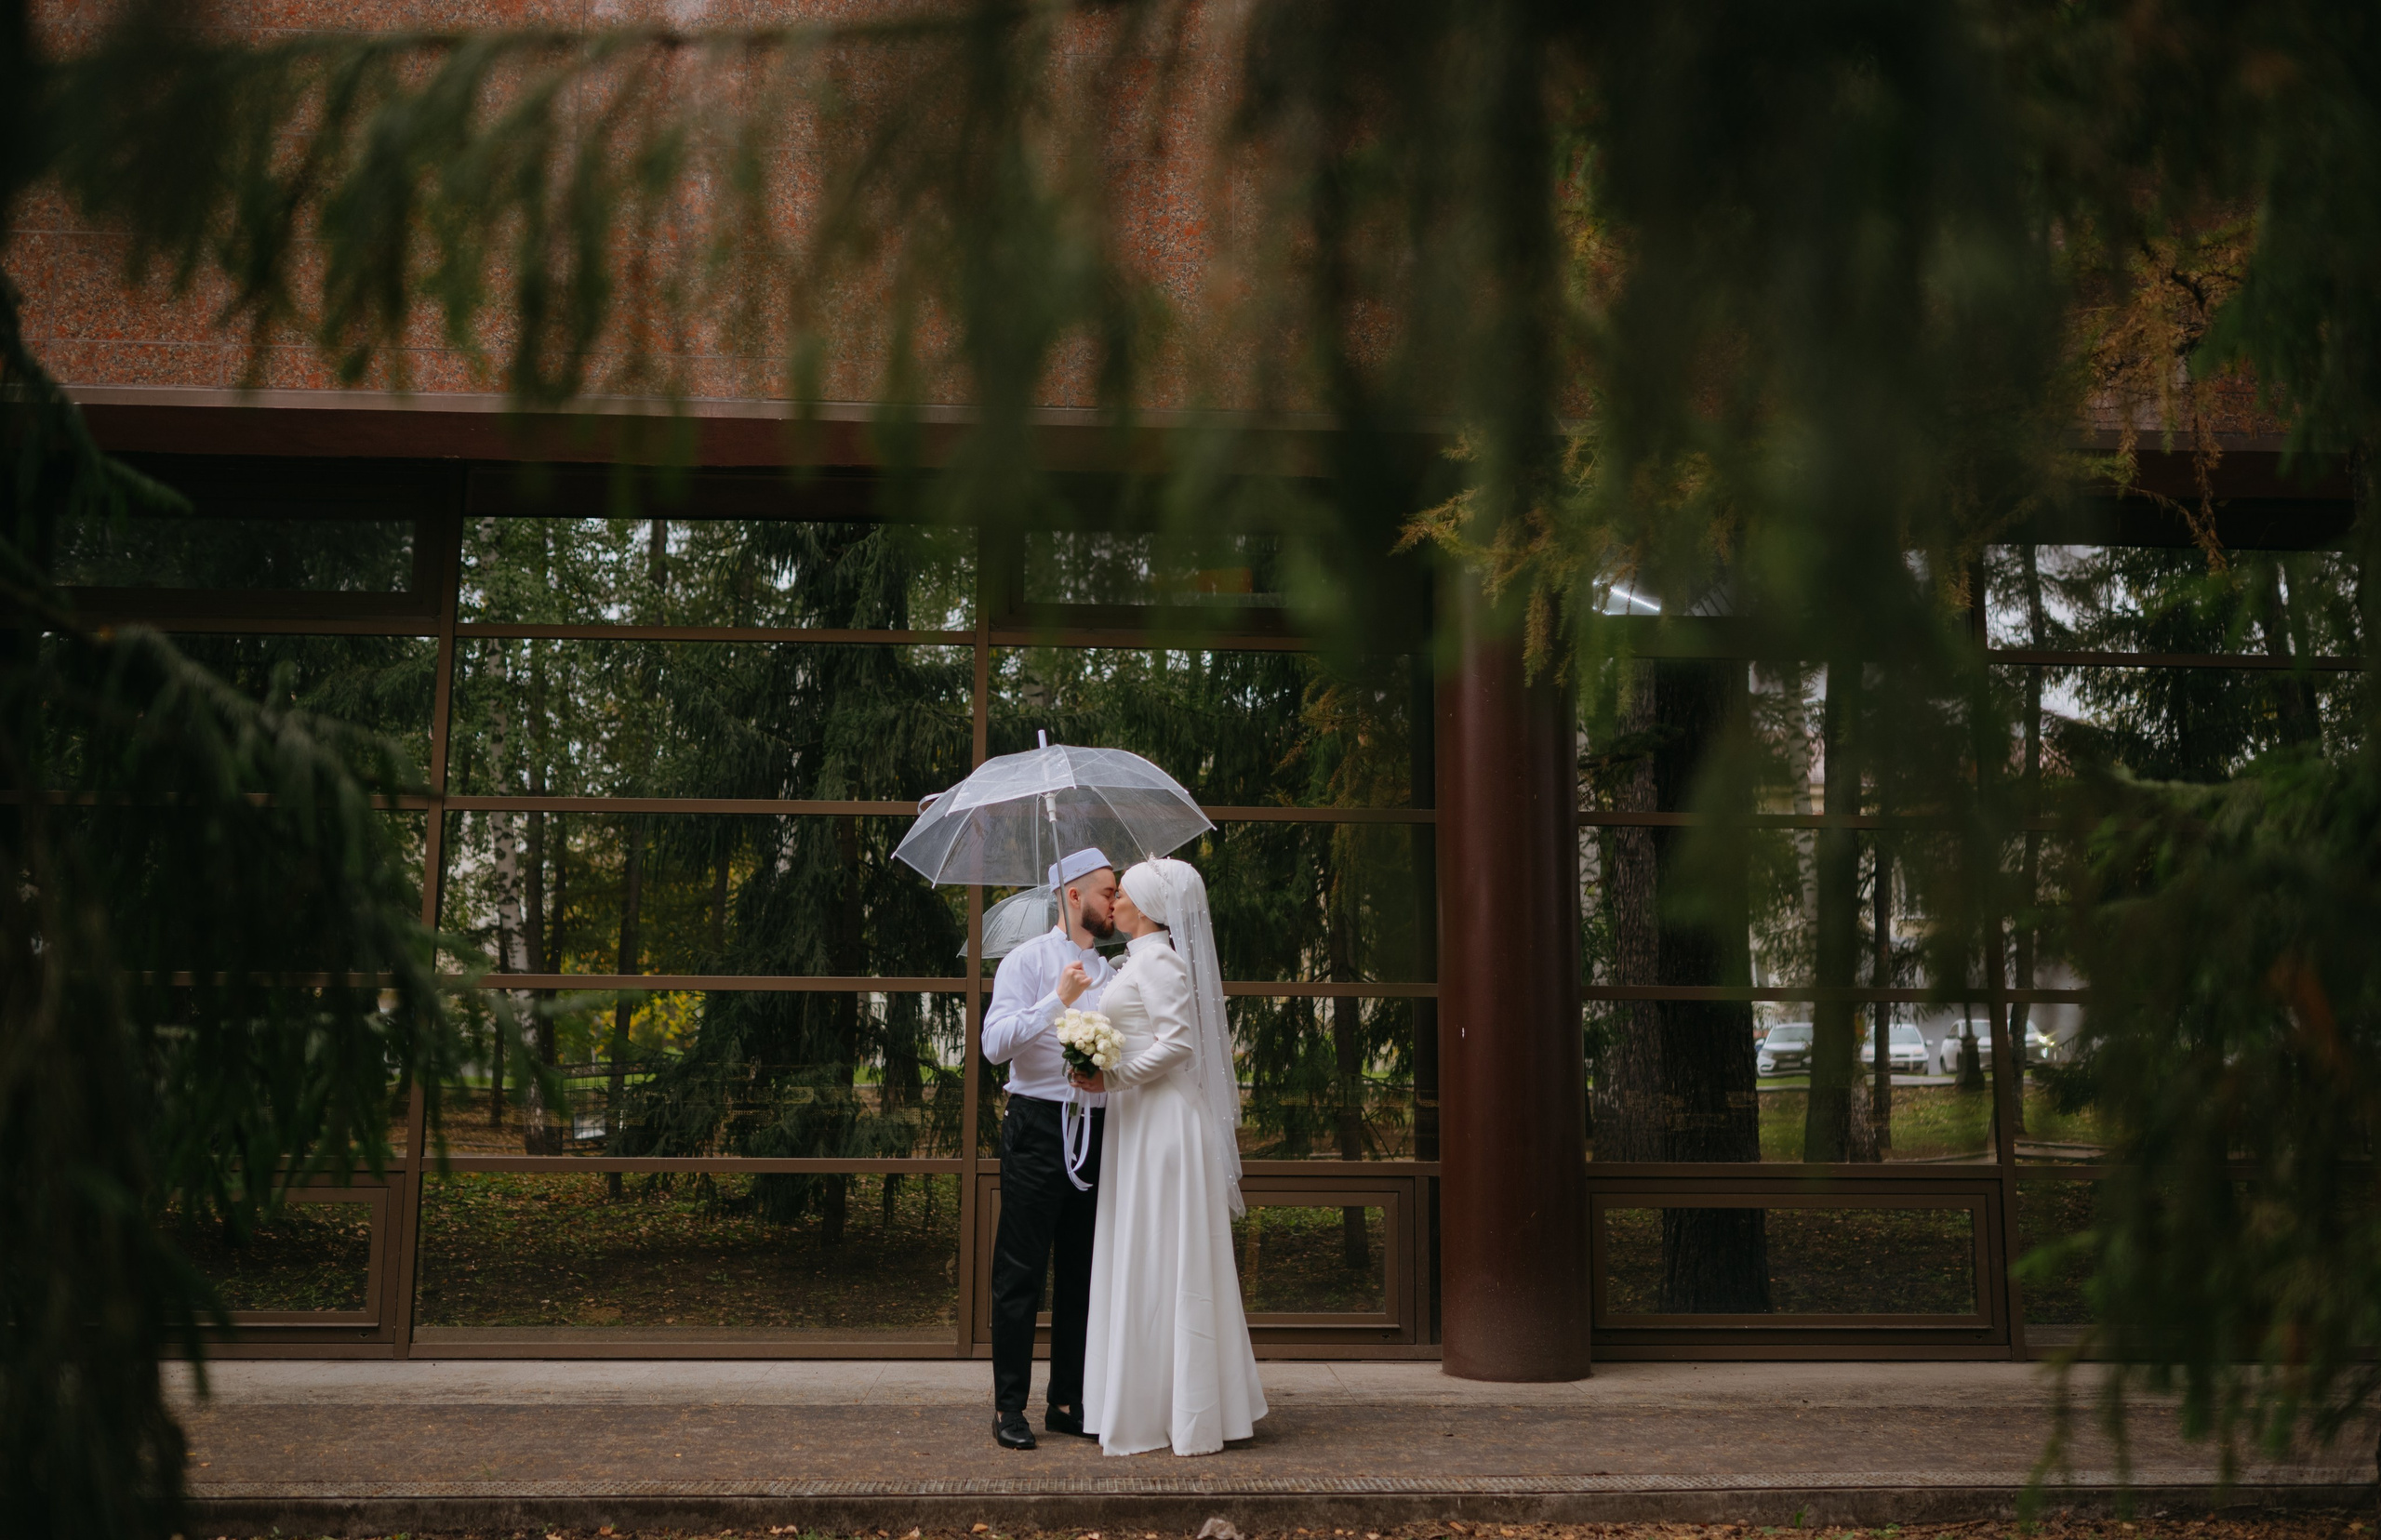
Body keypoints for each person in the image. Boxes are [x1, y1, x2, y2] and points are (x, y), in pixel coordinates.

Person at [1069, 856, 1267, 1456]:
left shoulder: (1160, 961)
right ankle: (1147, 1401)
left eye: (1122, 894)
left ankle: (1184, 1410)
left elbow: (1177, 1043)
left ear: (1148, 908)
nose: (1114, 902)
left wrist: (1116, 1073)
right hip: (1139, 1122)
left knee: (1163, 1254)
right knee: (1143, 1252)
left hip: (1164, 1126)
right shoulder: (1140, 961)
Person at [981, 846, 1120, 1451]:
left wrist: (1104, 1075)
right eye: (1107, 892)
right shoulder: (1026, 961)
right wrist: (1056, 1000)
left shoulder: (1113, 974)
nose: (1115, 903)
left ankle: (1067, 1399)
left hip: (1097, 1129)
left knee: (1084, 1273)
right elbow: (993, 1046)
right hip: (1037, 1127)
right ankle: (1009, 1407)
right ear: (1073, 895)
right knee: (1020, 1273)